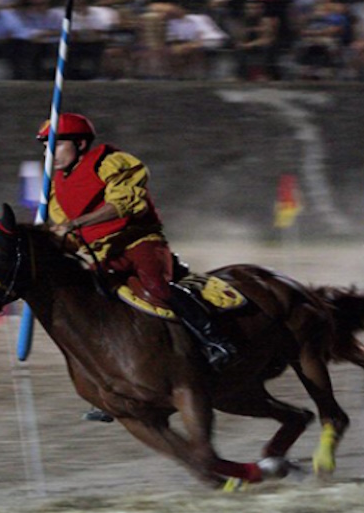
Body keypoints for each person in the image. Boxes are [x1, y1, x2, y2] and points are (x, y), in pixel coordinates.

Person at [38, 113, 238, 405]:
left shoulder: (112, 163)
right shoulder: (54, 186)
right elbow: (65, 229)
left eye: (55, 145)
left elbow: (127, 203)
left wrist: (77, 222)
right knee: (92, 305)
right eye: (45, 147)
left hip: (139, 241)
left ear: (80, 144)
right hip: (102, 253)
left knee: (157, 288)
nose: (49, 154)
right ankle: (115, 382)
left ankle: (215, 341)